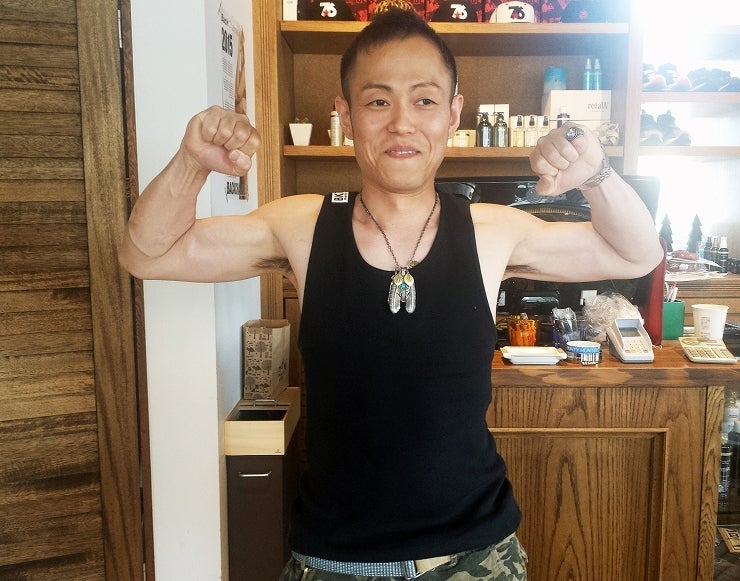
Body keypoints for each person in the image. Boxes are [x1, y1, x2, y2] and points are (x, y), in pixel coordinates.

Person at [120, 8, 663, 581]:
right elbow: (147, 254)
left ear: (453, 114)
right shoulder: (303, 226)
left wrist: (597, 175)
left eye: (424, 100)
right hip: (333, 560)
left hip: (475, 558)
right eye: (378, 101)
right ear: (346, 116)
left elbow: (636, 254)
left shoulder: (492, 230)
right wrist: (191, 164)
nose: (402, 123)